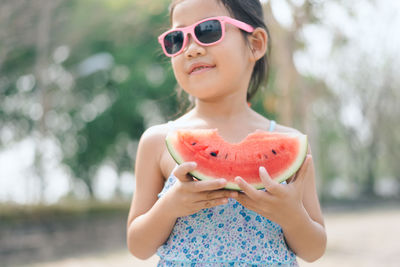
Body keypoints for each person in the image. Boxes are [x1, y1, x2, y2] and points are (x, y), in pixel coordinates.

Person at [127, 0, 327, 266]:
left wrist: (292, 216)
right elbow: (138, 246)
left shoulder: (289, 141)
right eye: (177, 39)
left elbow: (314, 250)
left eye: (208, 30)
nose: (191, 49)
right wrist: (170, 207)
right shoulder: (157, 141)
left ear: (255, 43)